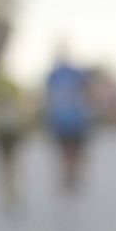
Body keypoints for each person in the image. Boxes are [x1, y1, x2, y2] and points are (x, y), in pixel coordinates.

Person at [43, 49, 95, 203]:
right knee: (73, 156)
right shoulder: (76, 74)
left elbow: (48, 100)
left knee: (66, 157)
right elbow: (89, 95)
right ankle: (71, 183)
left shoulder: (54, 76)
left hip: (64, 123)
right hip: (74, 122)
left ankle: (68, 184)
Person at [0, 60, 29, 216]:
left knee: (10, 163)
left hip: (10, 129)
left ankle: (12, 191)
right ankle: (8, 191)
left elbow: (20, 106)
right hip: (1, 130)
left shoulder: (9, 85)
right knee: (5, 163)